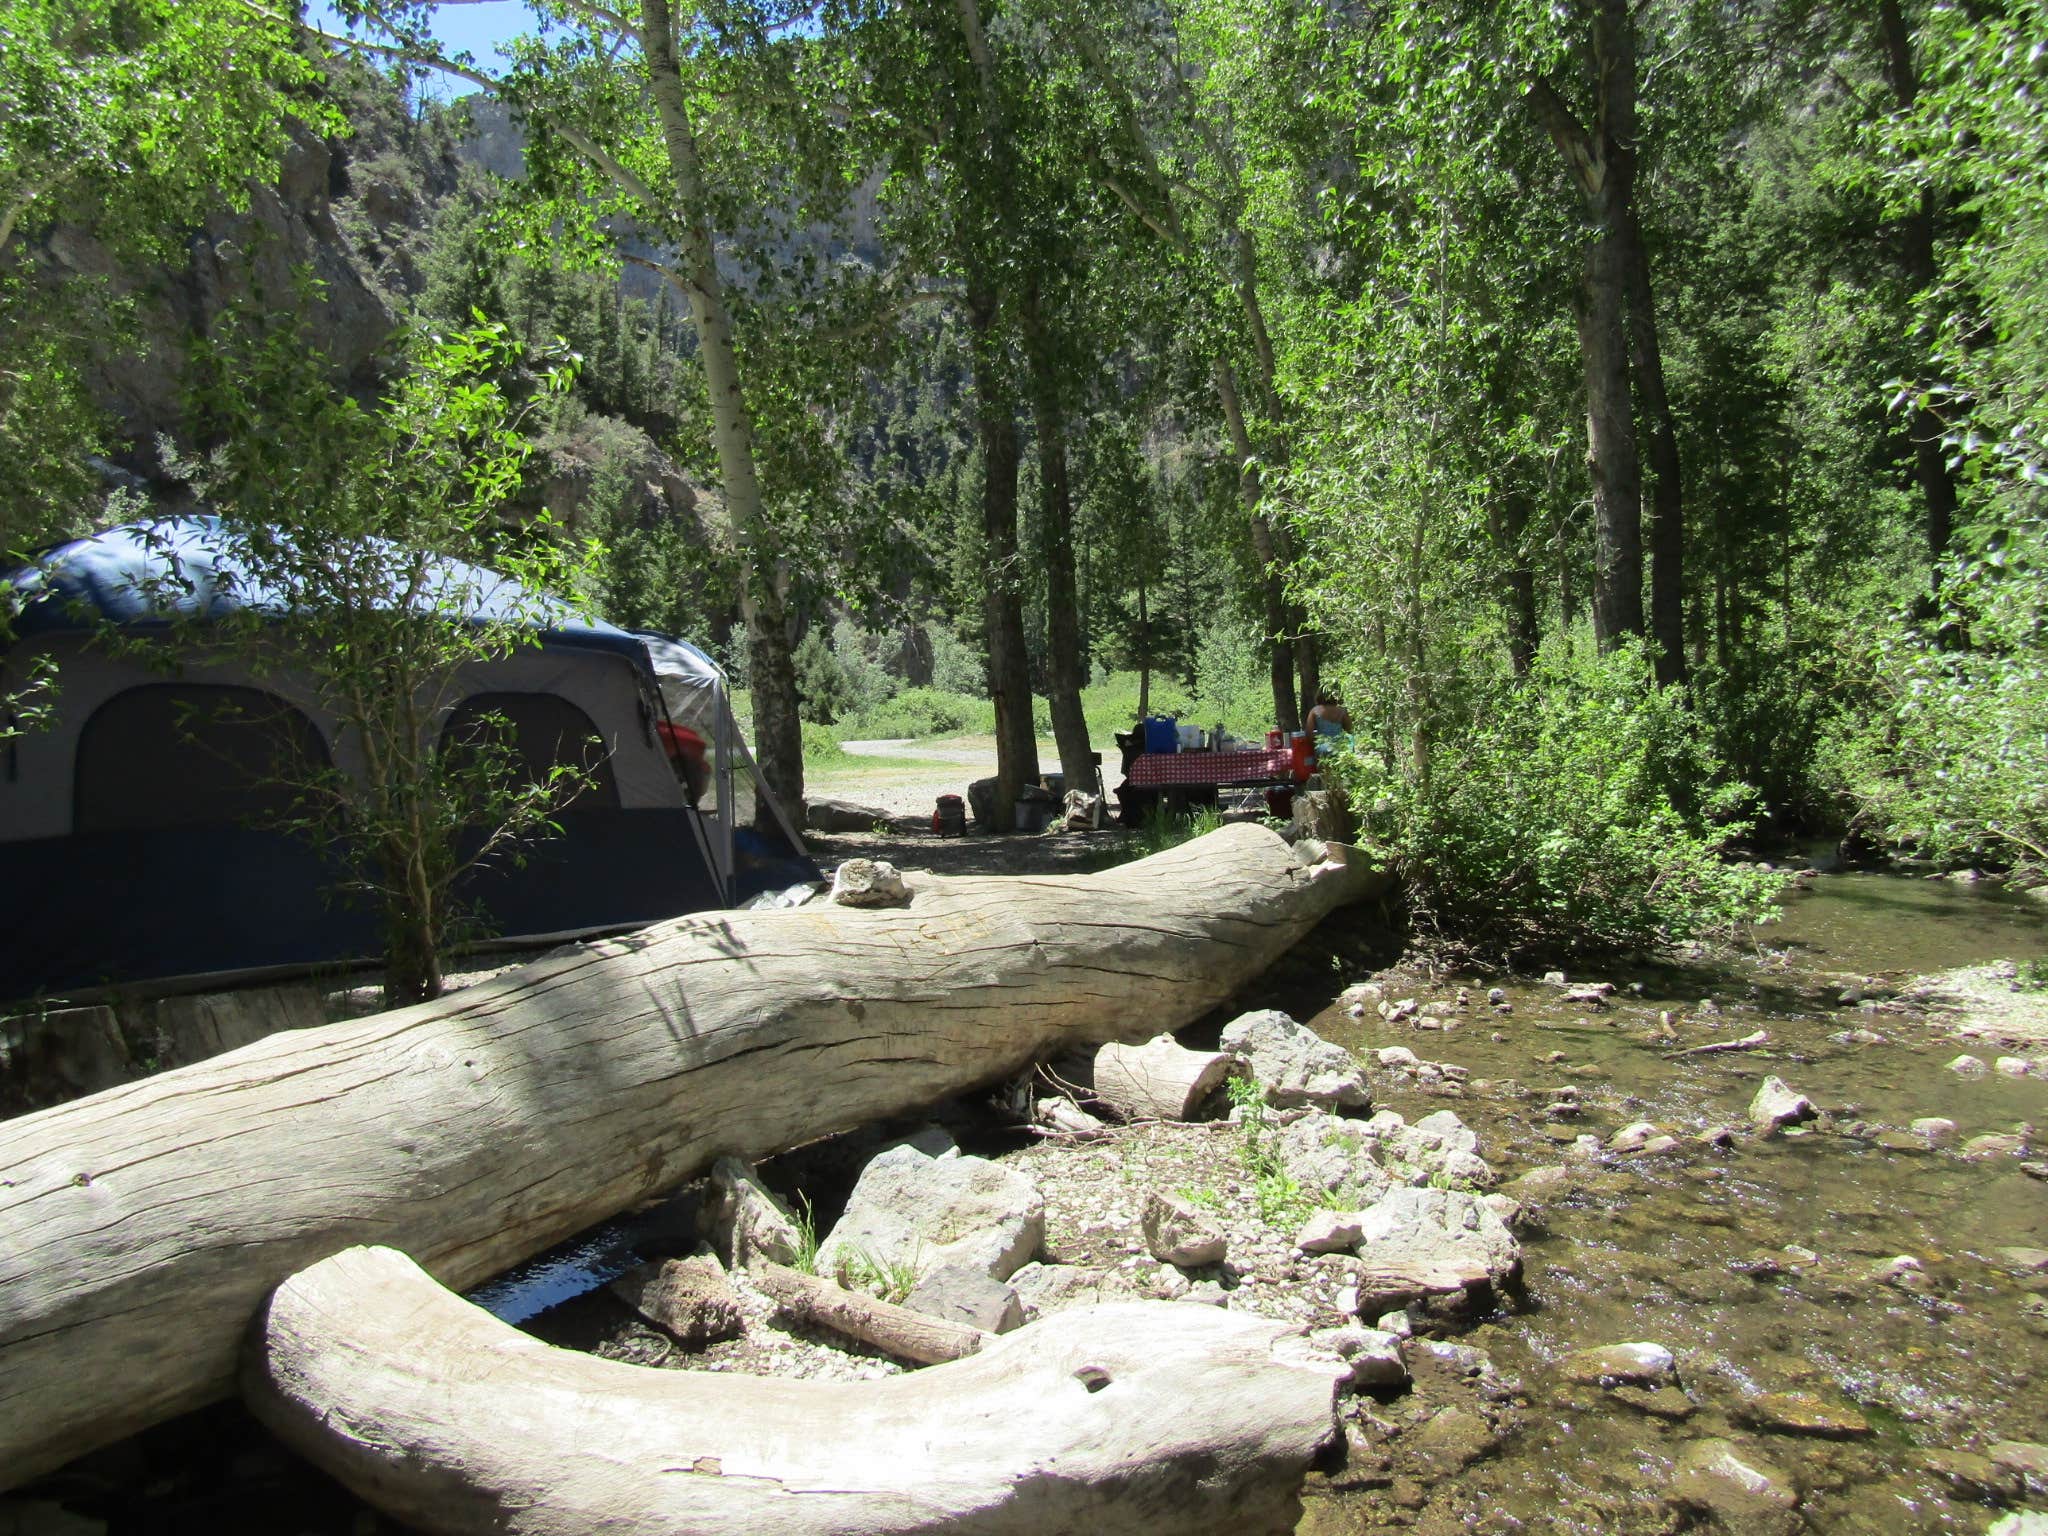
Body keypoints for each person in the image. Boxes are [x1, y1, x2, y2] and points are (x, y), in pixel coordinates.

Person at [1306, 689, 1351, 756]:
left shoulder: (1315, 710)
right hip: (1340, 747)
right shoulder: (1342, 711)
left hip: (1323, 747)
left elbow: (1309, 733)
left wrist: (1316, 743)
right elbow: (1349, 730)